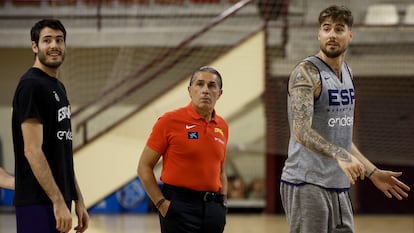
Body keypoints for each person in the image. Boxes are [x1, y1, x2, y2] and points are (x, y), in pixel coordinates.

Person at [280, 5, 410, 233]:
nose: (331, 34)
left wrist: (372, 172)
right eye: (326, 28)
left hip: (339, 185)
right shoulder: (306, 72)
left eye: (339, 29)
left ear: (350, 35)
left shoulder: (348, 73)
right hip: (306, 182)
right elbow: (301, 131)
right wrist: (341, 156)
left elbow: (342, 139)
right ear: (318, 34)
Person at [11, 19, 89, 233]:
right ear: (35, 46)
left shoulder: (59, 87)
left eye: (59, 40)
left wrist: (77, 199)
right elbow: (32, 150)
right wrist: (57, 201)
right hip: (38, 202)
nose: (54, 45)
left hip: (59, 200)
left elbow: (62, 153)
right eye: (47, 40)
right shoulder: (31, 86)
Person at [137, 66, 228, 233]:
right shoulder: (169, 121)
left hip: (213, 210)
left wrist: (223, 204)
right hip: (179, 207)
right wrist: (161, 204)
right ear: (190, 90)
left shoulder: (222, 126)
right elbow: (144, 167)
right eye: (199, 84)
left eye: (211, 86)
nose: (205, 90)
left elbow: (220, 170)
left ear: (219, 93)